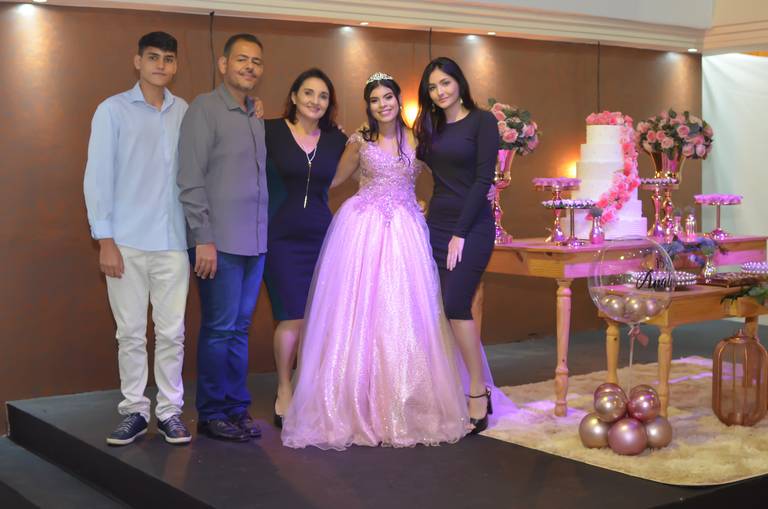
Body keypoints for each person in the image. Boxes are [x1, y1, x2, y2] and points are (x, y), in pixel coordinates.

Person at [281, 73, 469, 450]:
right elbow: (330, 180)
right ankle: (351, 403)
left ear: (399, 100)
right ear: (368, 105)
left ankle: (403, 403)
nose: (382, 105)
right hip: (362, 230)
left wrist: (424, 201)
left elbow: (446, 178)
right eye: (374, 99)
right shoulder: (359, 141)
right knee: (356, 312)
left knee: (404, 313)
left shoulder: (419, 139)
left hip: (405, 233)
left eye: (388, 97)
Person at [83, 31, 191, 446]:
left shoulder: (185, 112)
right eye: (153, 57)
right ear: (138, 61)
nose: (161, 65)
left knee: (172, 334)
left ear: (175, 65)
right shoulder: (112, 110)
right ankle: (134, 411)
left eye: (168, 58)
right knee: (130, 334)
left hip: (173, 241)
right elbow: (97, 177)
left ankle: (169, 411)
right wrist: (105, 239)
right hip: (125, 242)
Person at [177, 33, 267, 442]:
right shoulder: (204, 109)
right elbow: (190, 179)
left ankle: (236, 407)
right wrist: (203, 238)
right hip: (219, 244)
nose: (249, 67)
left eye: (256, 62)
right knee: (219, 328)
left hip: (255, 243)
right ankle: (212, 412)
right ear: (224, 64)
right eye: (242, 59)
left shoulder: (254, 114)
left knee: (239, 329)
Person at [414, 57, 500, 434]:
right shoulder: (428, 128)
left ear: (459, 83)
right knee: (437, 309)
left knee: (455, 304)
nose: (440, 92)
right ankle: (449, 388)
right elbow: (406, 164)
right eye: (433, 87)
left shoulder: (483, 122)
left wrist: (461, 233)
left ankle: (478, 391)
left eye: (445, 83)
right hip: (436, 225)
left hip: (473, 225)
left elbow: (483, 181)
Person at [263, 68, 347, 427]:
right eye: (309, 93)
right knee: (291, 316)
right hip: (279, 237)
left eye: (323, 96)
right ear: (294, 97)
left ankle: (312, 388)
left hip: (323, 238)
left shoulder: (337, 140)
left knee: (319, 318)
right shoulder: (268, 130)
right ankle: (284, 387)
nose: (315, 101)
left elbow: (367, 169)